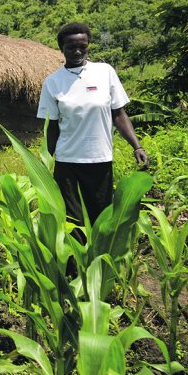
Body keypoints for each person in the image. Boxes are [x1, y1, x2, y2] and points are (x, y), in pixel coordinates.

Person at [37, 22, 149, 236]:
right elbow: (52, 127)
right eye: (71, 47)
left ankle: (100, 265)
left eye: (83, 46)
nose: (78, 51)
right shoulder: (52, 83)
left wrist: (137, 146)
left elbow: (119, 114)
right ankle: (74, 269)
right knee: (73, 222)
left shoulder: (105, 72)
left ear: (88, 46)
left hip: (100, 159)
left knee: (102, 218)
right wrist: (47, 162)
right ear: (62, 49)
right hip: (67, 162)